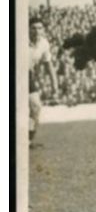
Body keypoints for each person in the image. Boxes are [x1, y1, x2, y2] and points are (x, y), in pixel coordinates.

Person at [28, 17, 59, 147]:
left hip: (27, 76)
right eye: (33, 28)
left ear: (43, 30)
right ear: (28, 29)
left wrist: (55, 86)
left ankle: (27, 140)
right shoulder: (18, 39)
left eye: (39, 28)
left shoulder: (44, 43)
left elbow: (49, 65)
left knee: (36, 107)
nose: (36, 31)